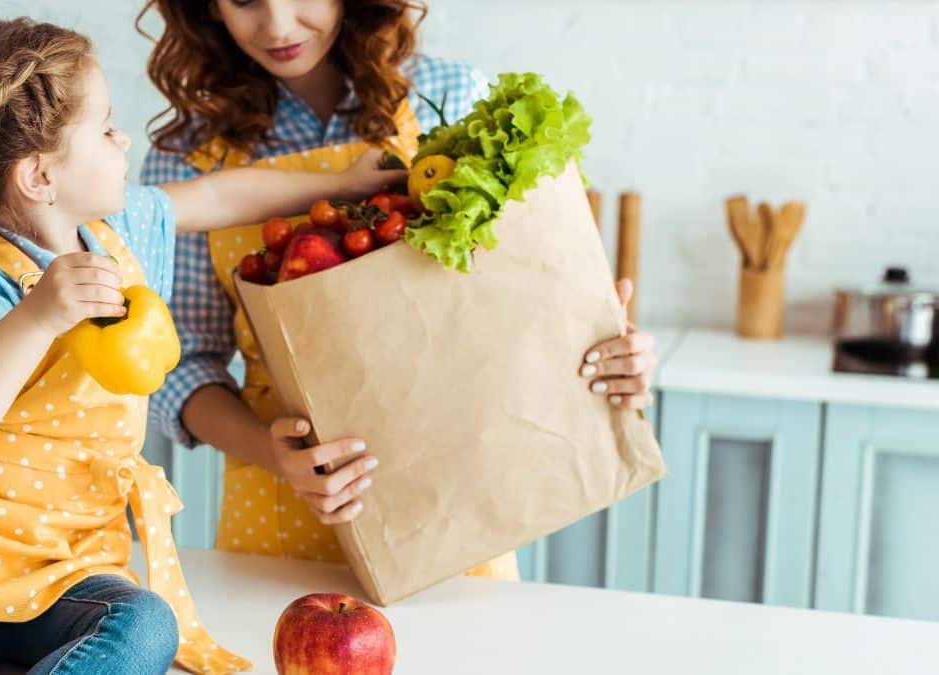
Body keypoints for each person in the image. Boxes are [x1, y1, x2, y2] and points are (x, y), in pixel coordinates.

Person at [0, 17, 398, 675]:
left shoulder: (118, 230)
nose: (123, 138)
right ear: (40, 176)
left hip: (69, 570)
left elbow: (223, 194)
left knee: (147, 624)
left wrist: (342, 187)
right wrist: (37, 317)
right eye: (105, 127)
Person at [139, 0, 657, 578]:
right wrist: (276, 456)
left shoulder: (453, 97)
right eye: (243, 0)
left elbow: (514, 303)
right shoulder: (184, 157)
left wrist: (607, 352)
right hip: (284, 515)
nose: (278, 24)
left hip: (458, 503)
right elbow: (178, 363)